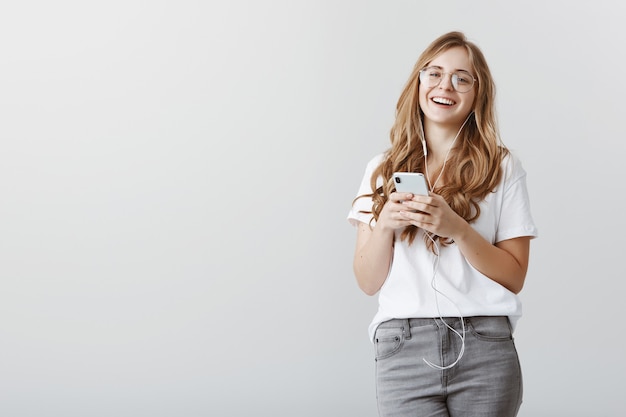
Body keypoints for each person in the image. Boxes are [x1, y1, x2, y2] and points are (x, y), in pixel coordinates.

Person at [347, 31, 538, 416]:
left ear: (476, 94)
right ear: (417, 83)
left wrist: (459, 230)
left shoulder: (502, 168)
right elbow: (368, 282)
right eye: (433, 73)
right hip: (402, 346)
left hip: (484, 343)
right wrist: (384, 224)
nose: (444, 85)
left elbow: (514, 276)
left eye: (461, 78)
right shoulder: (381, 169)